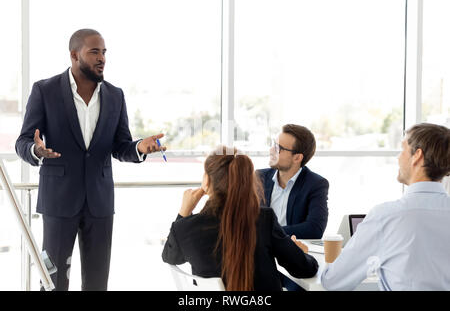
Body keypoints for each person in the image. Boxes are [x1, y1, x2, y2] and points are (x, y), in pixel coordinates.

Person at [15, 29, 166, 291]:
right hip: (58, 202)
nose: (102, 58)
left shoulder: (115, 95)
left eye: (104, 52)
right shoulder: (45, 90)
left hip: (100, 203)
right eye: (94, 52)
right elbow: (22, 142)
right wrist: (37, 150)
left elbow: (120, 146)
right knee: (53, 281)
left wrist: (139, 147)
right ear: (74, 55)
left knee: (97, 283)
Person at [162, 146, 318, 291]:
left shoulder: (184, 228)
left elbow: (170, 256)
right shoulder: (264, 219)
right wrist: (300, 253)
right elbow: (304, 269)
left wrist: (183, 212)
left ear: (207, 181)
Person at [321, 123, 450, 291]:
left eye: (402, 149)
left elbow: (333, 281)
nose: (398, 157)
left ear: (417, 156)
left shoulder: (388, 216)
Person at [257, 124, 329, 290]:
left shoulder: (316, 184)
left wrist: (271, 235)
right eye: (273, 144)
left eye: (278, 148)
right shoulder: (258, 178)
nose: (271, 150)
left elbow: (314, 228)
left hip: (292, 257)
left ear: (297, 158)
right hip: (263, 258)